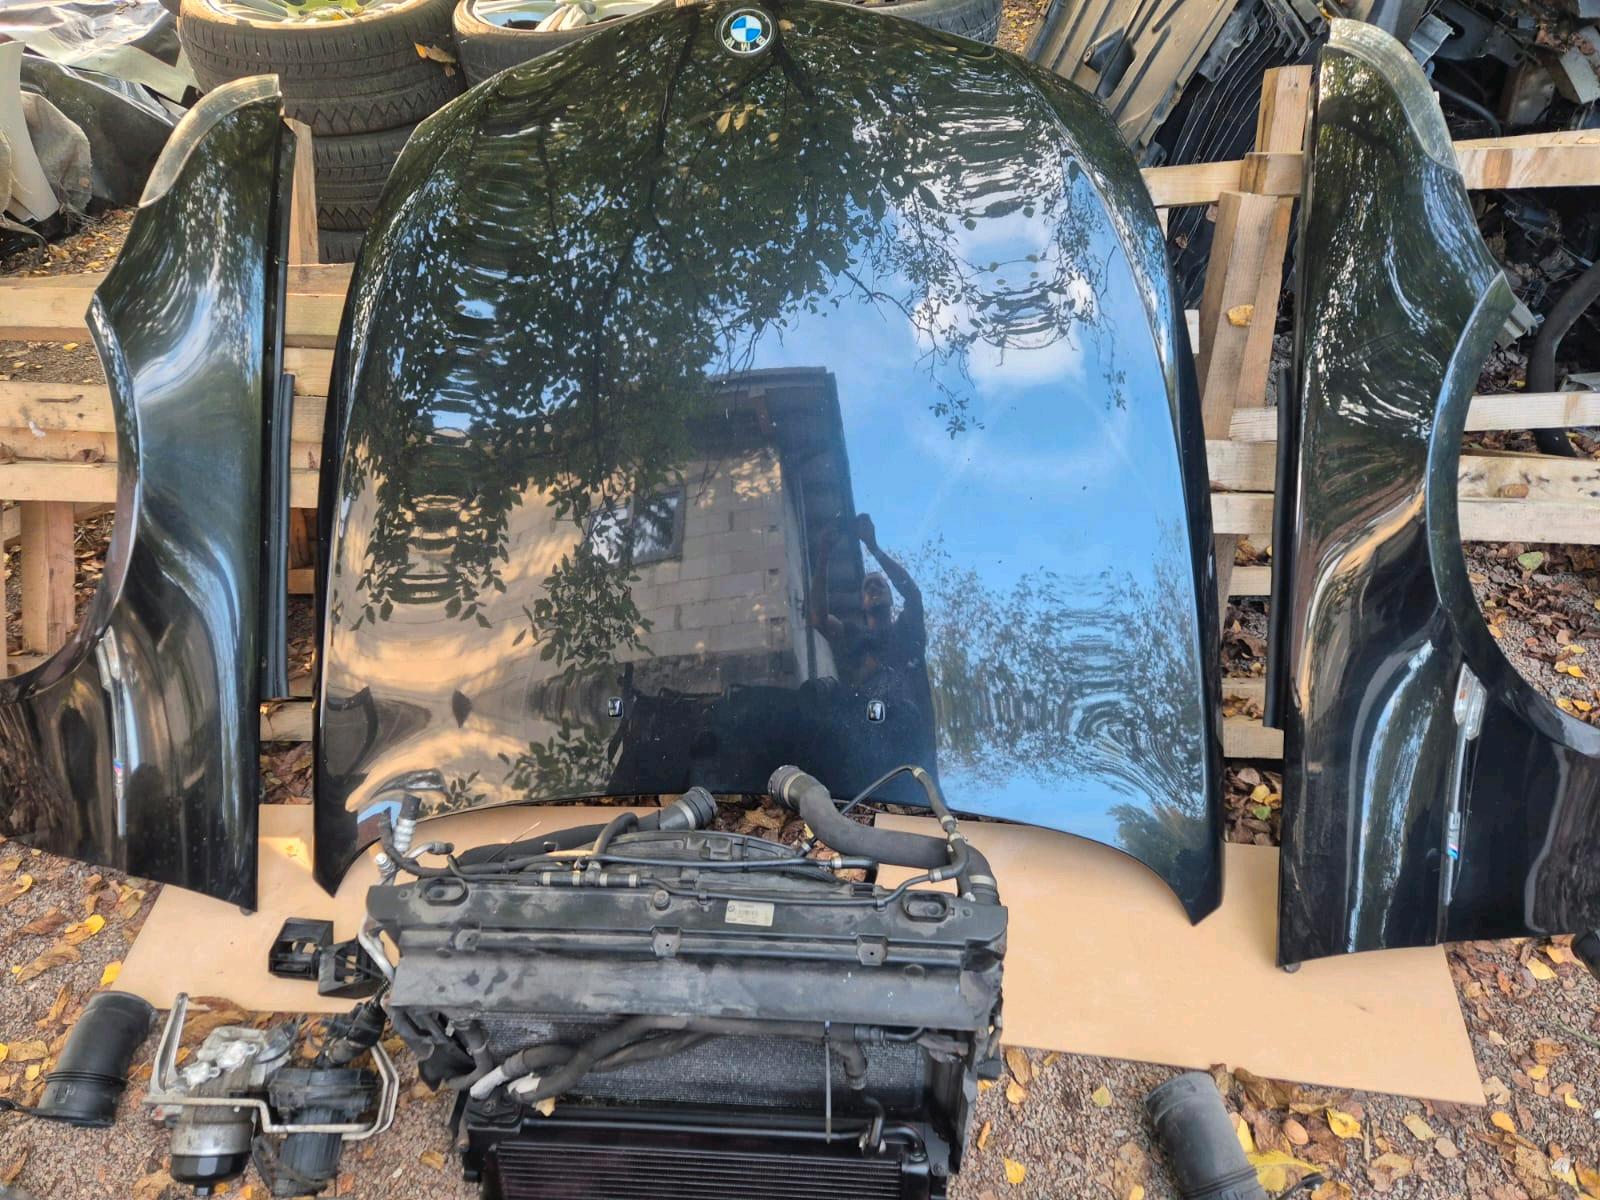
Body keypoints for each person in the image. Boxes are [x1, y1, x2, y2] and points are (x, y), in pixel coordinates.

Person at [809, 513, 926, 688]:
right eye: (867, 586)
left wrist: (873, 547)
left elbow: (913, 595)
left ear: (891, 598)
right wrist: (824, 552)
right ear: (862, 604)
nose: (873, 587)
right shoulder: (852, 636)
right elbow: (819, 620)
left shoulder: (906, 630)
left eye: (879, 584)